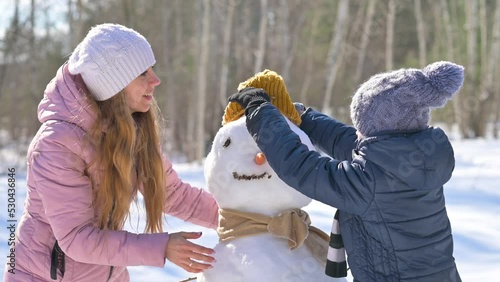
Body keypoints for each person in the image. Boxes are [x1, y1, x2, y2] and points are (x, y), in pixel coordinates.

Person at [3, 23, 218, 282]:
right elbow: (77, 238)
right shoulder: (56, 144)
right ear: (112, 85)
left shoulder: (130, 127)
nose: (155, 80)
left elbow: (173, 193)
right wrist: (161, 247)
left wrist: (244, 219)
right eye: (142, 74)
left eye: (152, 69)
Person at [228, 61, 463, 281]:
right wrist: (301, 117)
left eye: (361, 126)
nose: (357, 132)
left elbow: (301, 167)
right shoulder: (414, 158)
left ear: (378, 131)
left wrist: (260, 112)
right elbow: (348, 142)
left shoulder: (368, 181)